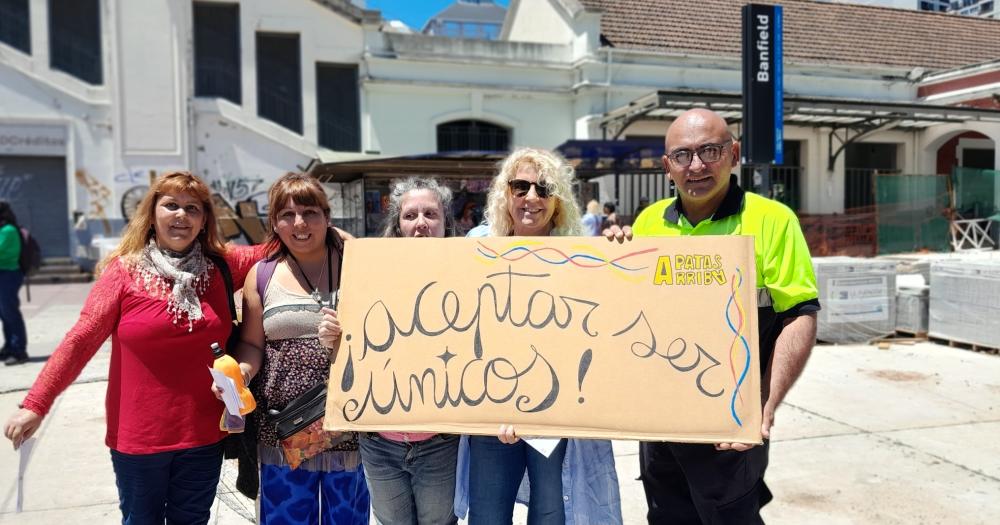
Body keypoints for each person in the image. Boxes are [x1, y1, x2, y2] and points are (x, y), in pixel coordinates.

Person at [3, 171, 266, 523]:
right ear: (152, 214)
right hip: (140, 439)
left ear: (204, 221)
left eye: (192, 208)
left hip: (205, 434)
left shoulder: (220, 267)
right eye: (170, 205)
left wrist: (341, 240)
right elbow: (81, 340)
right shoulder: (123, 273)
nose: (181, 215)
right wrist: (36, 403)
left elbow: (285, 244)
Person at [605, 108, 820, 524]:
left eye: (710, 151)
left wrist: (764, 403)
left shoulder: (772, 221)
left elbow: (799, 316)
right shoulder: (648, 223)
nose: (697, 165)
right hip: (661, 423)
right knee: (666, 515)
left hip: (729, 423)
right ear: (667, 167)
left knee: (728, 516)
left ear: (734, 154)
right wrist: (612, 257)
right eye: (683, 156)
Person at [458, 147, 623, 525]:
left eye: (543, 188)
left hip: (555, 413)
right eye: (520, 187)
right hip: (491, 408)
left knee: (551, 510)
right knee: (487, 513)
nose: (531, 197)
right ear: (506, 194)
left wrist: (621, 248)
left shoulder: (582, 254)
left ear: (557, 200)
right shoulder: (477, 246)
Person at [230, 172, 369, 525]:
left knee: (347, 520)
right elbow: (251, 343)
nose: (299, 223)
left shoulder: (358, 265)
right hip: (285, 429)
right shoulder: (261, 275)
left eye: (310, 212)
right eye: (287, 215)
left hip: (349, 424)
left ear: (327, 217)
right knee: (286, 519)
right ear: (274, 223)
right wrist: (242, 372)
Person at [361, 176, 461, 524]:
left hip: (440, 441)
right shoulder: (368, 273)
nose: (421, 223)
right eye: (411, 215)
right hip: (380, 440)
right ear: (397, 224)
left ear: (446, 223)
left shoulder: (468, 276)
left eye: (431, 214)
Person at [0, 201, 28, 365]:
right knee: (4, 314)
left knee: (10, 312)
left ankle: (19, 351)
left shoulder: (9, 230)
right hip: (3, 274)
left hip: (9, 274)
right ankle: (9, 346)